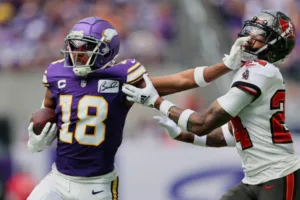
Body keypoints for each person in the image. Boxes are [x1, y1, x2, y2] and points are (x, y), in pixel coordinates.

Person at [26, 16, 247, 200]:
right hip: (57, 178)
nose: (77, 53)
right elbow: (47, 111)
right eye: (74, 46)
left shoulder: (124, 77)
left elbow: (179, 80)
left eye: (87, 47)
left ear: (106, 50)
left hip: (96, 185)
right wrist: (37, 136)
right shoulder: (57, 73)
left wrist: (225, 66)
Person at [122, 10, 300, 200]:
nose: (249, 37)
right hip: (256, 178)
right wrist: (182, 135)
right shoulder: (254, 72)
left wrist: (156, 102)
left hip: (279, 175)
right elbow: (228, 135)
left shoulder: (260, 72)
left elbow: (203, 123)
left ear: (274, 45)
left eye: (259, 35)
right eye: (251, 31)